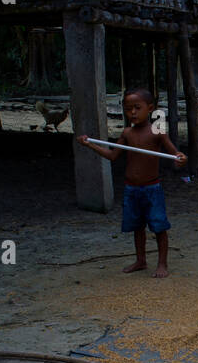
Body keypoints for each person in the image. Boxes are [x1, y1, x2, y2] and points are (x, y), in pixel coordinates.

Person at [77, 88, 188, 278]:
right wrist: (90, 145)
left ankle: (162, 264)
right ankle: (141, 260)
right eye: (128, 109)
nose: (133, 113)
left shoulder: (157, 131)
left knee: (159, 227)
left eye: (137, 108)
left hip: (152, 189)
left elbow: (174, 153)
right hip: (131, 189)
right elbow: (112, 156)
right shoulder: (127, 133)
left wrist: (180, 157)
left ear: (150, 108)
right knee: (137, 227)